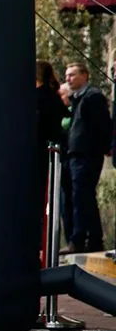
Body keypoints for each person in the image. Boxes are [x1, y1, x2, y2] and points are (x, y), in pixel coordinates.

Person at [61, 62, 111, 254]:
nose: (68, 79)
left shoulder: (92, 96)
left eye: (72, 75)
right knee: (83, 197)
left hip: (87, 154)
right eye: (67, 75)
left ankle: (80, 239)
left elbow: (102, 125)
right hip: (75, 153)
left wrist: (104, 147)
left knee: (82, 196)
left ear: (84, 75)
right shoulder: (77, 98)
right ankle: (93, 239)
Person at [35, 61, 67, 234]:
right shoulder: (54, 96)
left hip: (41, 153)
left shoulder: (38, 97)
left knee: (39, 198)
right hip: (51, 152)